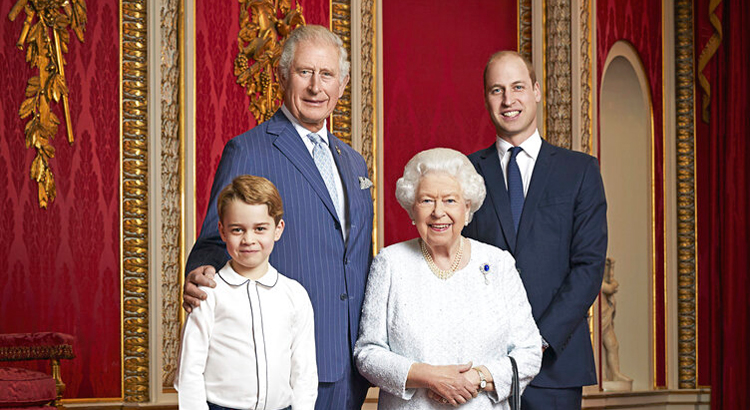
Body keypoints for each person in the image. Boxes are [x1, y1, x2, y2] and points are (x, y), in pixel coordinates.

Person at [183, 25, 373, 410]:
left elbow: (356, 255)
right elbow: (214, 240)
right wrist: (200, 272)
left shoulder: (353, 162)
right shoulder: (248, 150)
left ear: (344, 83)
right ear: (282, 76)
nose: (316, 87)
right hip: (282, 363)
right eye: (305, 72)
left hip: (351, 365)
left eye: (327, 74)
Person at [463, 50, 608, 409]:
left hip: (556, 364)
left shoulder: (580, 172)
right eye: (497, 90)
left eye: (517, 87)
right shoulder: (464, 172)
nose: (508, 100)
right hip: (483, 364)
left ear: (537, 91)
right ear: (486, 99)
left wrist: (537, 342)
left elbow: (588, 267)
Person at [355, 148, 542, 409]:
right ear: (412, 210)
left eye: (450, 201)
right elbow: (367, 354)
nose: (438, 212)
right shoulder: (390, 263)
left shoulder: (499, 263)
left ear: (467, 208)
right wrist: (430, 377)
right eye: (427, 200)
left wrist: (478, 378)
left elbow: (530, 353)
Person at [175, 175, 317, 410]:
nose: (248, 239)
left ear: (278, 229)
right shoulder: (209, 293)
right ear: (222, 231)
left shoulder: (295, 295)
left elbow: (304, 374)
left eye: (260, 228)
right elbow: (189, 371)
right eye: (237, 230)